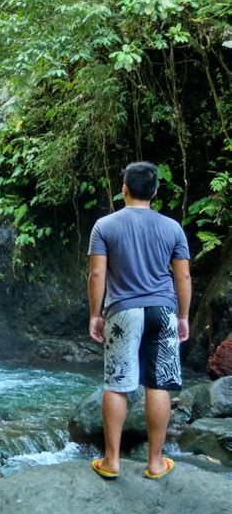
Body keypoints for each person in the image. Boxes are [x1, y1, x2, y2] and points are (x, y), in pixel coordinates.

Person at [87, 161, 191, 480]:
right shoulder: (172, 228)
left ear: (124, 189)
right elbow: (183, 275)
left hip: (123, 311)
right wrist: (183, 316)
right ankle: (156, 463)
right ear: (155, 192)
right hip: (162, 310)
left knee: (118, 385)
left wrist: (95, 313)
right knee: (157, 383)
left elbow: (96, 273)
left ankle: (112, 460)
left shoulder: (104, 226)